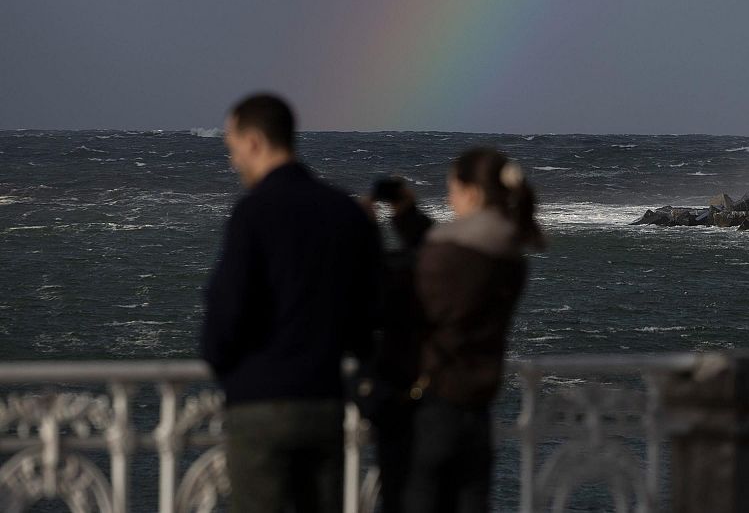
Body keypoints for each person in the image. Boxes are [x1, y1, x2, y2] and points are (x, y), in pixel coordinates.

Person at [200, 94, 383, 513]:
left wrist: (230, 372)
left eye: (232, 147)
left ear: (254, 142)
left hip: (260, 405)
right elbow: (372, 313)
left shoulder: (252, 213)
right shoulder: (345, 212)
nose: (232, 161)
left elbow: (225, 317)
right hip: (323, 402)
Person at [405, 147, 546, 513]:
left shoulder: (447, 255)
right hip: (478, 410)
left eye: (452, 188)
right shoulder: (510, 256)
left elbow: (412, 310)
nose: (448, 198)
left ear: (473, 193)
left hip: (434, 406)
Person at [358, 177, 434, 513]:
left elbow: (370, 278)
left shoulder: (388, 279)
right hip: (451, 403)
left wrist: (367, 229)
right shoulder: (455, 266)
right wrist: (407, 212)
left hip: (397, 401)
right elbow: (428, 250)